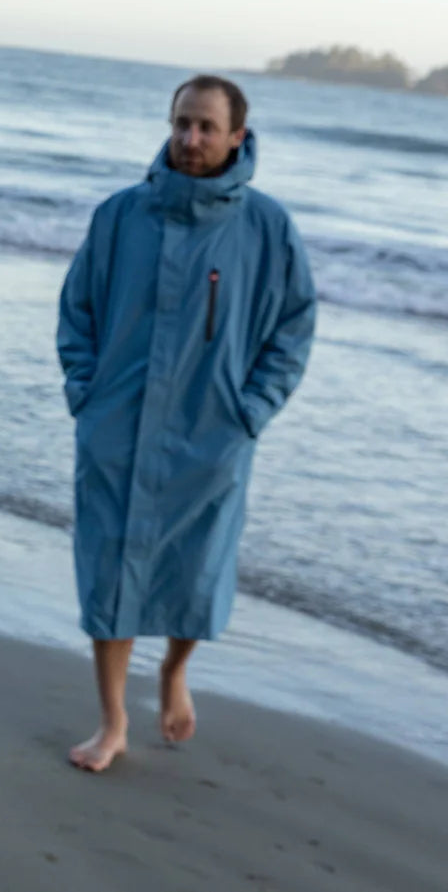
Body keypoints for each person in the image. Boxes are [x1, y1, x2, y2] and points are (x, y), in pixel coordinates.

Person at [57, 74, 315, 773]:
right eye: (182, 123)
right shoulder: (121, 215)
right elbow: (77, 308)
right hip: (117, 426)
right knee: (110, 572)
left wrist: (252, 409)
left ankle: (173, 670)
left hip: (213, 435)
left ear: (237, 135)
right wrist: (87, 391)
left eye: (206, 126)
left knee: (195, 571)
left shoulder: (267, 227)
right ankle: (112, 720)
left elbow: (294, 328)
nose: (191, 138)